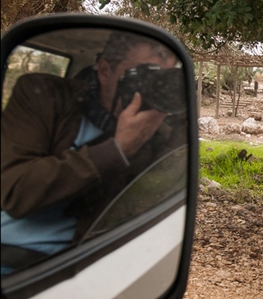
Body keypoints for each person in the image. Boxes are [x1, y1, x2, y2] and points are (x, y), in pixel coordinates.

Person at [1, 31, 181, 274]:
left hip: (82, 266)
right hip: (11, 257)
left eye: (162, 79)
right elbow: (15, 193)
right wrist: (117, 150)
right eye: (144, 75)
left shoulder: (160, 134)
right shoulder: (43, 95)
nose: (153, 87)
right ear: (105, 71)